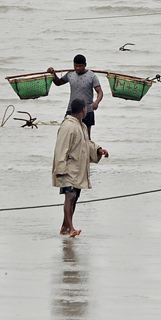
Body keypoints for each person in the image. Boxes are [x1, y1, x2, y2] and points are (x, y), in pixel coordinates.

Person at [53, 98, 109, 237]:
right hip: (68, 169)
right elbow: (61, 148)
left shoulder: (81, 126)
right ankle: (71, 228)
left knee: (75, 197)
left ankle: (65, 227)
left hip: (77, 170)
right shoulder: (68, 126)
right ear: (83, 109)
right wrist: (60, 169)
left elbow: (86, 144)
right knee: (70, 197)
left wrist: (98, 150)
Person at [48, 55, 104, 139]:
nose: (77, 68)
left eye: (80, 66)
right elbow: (58, 83)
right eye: (75, 66)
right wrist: (53, 74)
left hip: (87, 110)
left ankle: (88, 151)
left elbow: (100, 92)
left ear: (85, 65)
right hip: (71, 110)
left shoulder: (92, 76)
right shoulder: (70, 74)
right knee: (66, 135)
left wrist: (96, 102)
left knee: (86, 137)